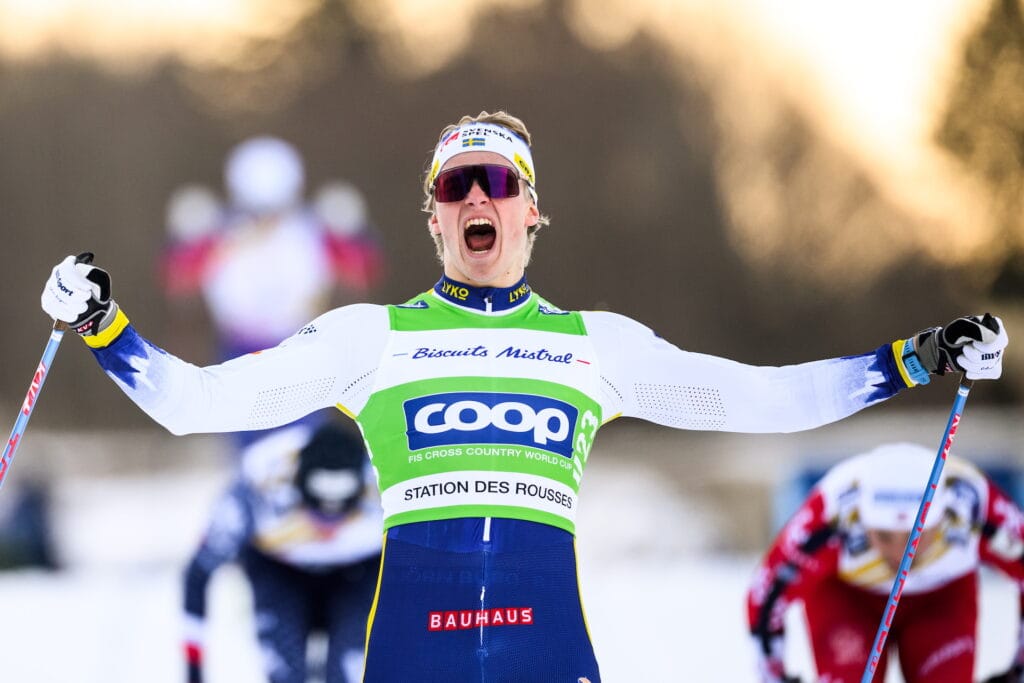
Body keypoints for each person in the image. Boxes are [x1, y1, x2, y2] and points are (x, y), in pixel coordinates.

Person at [39, 110, 1008, 682]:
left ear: (531, 208)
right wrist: (102, 326)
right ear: (431, 214)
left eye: (496, 180)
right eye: (454, 183)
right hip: (415, 651)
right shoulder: (370, 336)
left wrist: (917, 357)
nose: (475, 199)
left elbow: (763, 399)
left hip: (549, 647)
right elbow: (196, 404)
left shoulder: (595, 344)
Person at [746, 442, 1024, 683]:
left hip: (940, 599)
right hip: (848, 599)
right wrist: (775, 674)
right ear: (862, 518)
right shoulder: (831, 512)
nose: (901, 552)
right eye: (884, 536)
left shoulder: (973, 505)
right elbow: (766, 595)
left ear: (941, 518)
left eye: (917, 535)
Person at [183, 421, 382, 683]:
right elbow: (198, 575)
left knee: (351, 672)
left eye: (342, 514)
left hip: (359, 574)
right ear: (297, 486)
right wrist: (194, 672)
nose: (327, 528)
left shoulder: (385, 490)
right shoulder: (258, 484)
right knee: (287, 675)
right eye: (316, 510)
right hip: (279, 574)